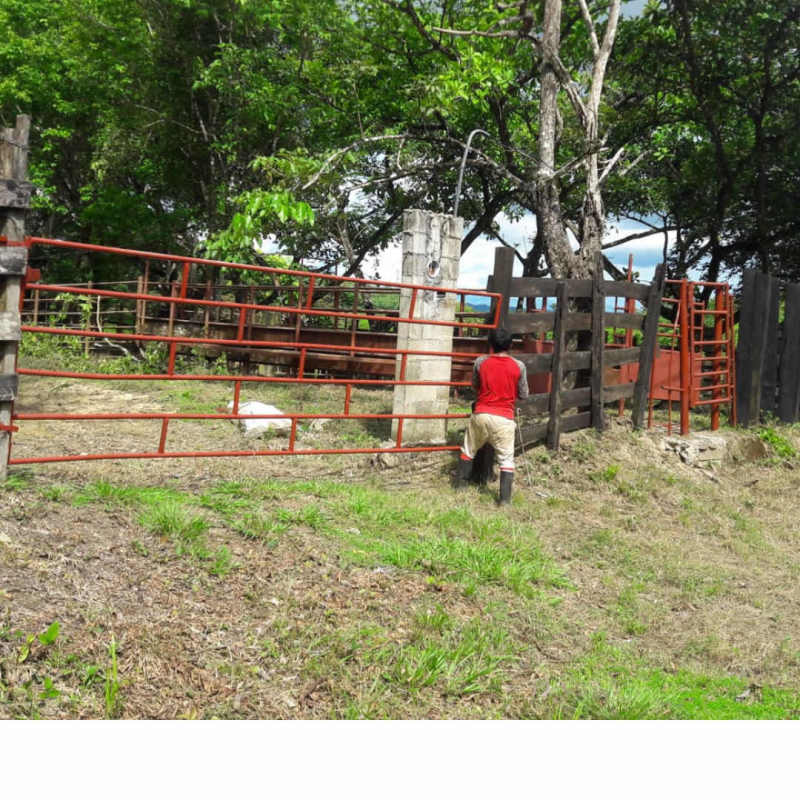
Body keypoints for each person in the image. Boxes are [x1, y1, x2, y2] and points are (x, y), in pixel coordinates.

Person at [456, 327, 529, 504]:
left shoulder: (480, 362)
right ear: (510, 345)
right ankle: (504, 501)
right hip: (504, 418)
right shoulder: (519, 366)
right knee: (506, 460)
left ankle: (460, 488)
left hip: (481, 413)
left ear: (490, 344)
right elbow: (524, 394)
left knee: (468, 450)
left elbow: (475, 385)